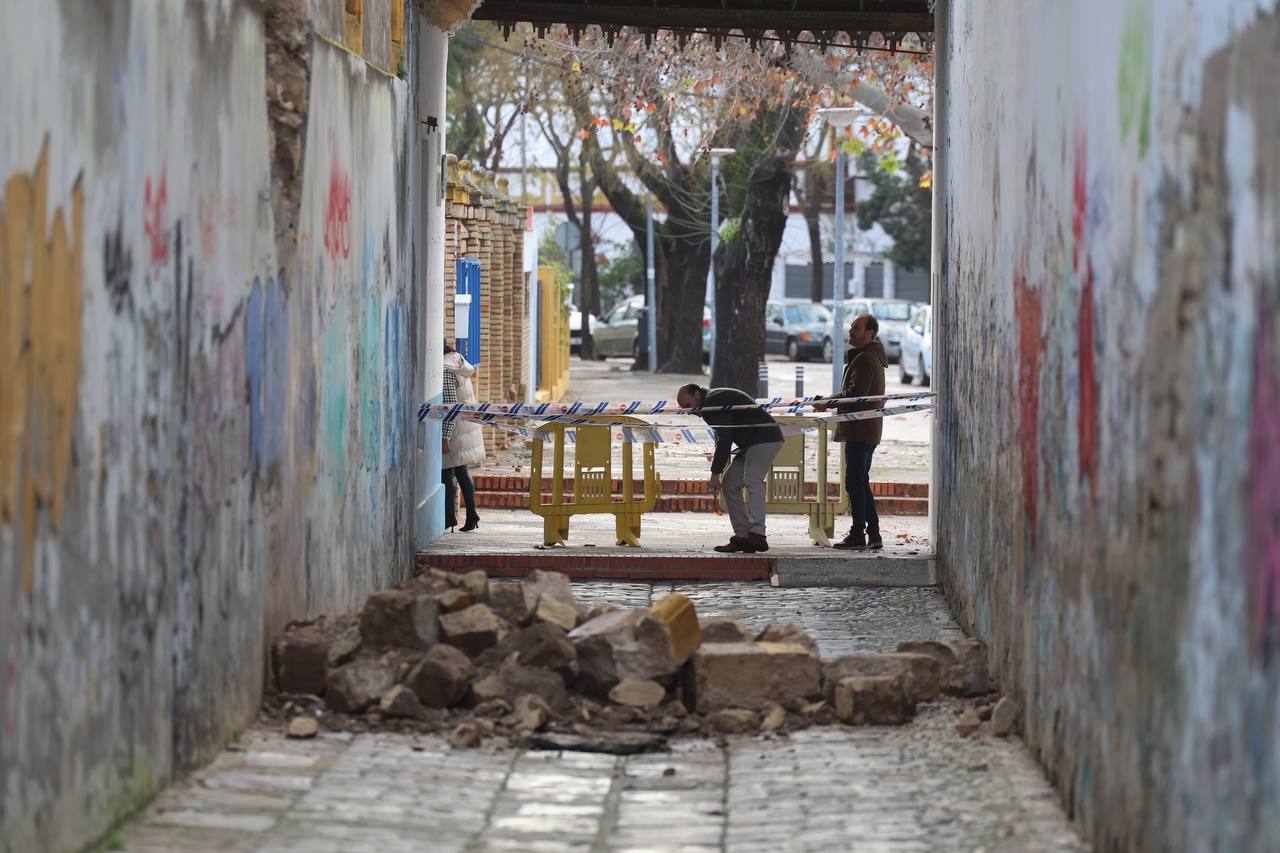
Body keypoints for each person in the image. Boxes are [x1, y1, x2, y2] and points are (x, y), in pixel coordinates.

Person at [676, 383, 784, 553]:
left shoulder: (713, 401)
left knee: (752, 479)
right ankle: (743, 536)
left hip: (765, 438)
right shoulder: (709, 403)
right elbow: (723, 437)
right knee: (730, 484)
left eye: (688, 406)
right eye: (684, 409)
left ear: (697, 394)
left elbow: (725, 437)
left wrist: (715, 473)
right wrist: (718, 470)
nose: (689, 412)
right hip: (750, 443)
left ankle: (757, 533)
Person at [818, 313, 888, 550]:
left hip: (861, 430)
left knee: (854, 483)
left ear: (869, 333)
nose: (850, 332)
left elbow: (855, 397)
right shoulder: (867, 357)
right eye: (851, 327)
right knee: (859, 482)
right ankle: (872, 533)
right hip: (864, 429)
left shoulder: (866, 359)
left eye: (856, 328)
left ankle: (860, 532)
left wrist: (827, 402)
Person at [441, 344, 484, 531]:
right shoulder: (457, 359)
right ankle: (471, 515)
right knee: (460, 471)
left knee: (447, 472)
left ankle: (449, 519)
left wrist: (445, 437)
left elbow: (451, 406)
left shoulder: (446, 369)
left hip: (457, 428)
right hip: (465, 425)